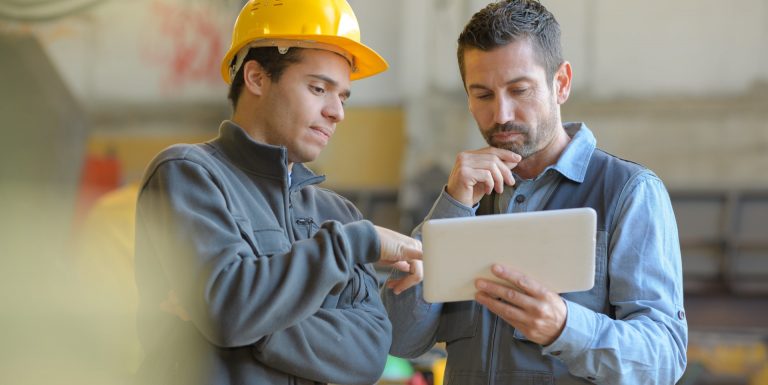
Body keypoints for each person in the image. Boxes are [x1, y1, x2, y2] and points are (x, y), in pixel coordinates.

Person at [382, 1, 688, 384]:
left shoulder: (628, 192)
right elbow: (398, 338)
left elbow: (664, 360)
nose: (502, 114)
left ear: (561, 83)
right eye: (483, 95)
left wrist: (564, 326)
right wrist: (453, 207)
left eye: (519, 90)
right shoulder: (463, 199)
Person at [133, 1, 422, 384]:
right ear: (256, 77)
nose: (337, 112)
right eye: (319, 88)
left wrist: (249, 321)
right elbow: (230, 308)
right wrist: (350, 245)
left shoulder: (338, 213)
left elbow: (369, 354)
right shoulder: (188, 175)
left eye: (343, 97)